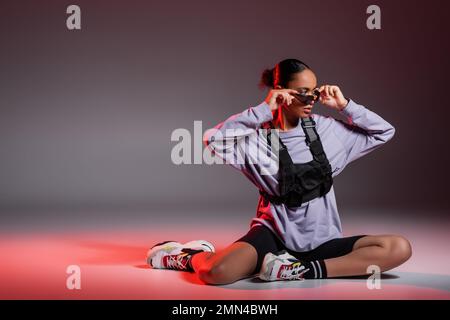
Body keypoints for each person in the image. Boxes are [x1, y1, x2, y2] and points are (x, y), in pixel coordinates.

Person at [147, 58, 412, 284]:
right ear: (280, 91)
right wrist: (264, 109)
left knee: (398, 248)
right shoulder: (256, 139)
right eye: (302, 92)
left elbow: (384, 131)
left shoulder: (327, 131)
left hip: (323, 241)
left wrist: (345, 105)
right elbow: (211, 140)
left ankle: (296, 271)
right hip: (273, 236)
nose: (311, 100)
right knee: (217, 272)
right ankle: (188, 255)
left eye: (315, 93)